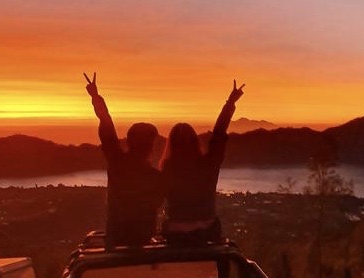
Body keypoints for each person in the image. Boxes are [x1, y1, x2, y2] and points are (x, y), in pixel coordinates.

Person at [84, 73, 165, 247]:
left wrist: (95, 97)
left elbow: (106, 125)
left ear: (128, 141)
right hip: (144, 241)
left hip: (116, 239)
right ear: (152, 145)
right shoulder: (155, 177)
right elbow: (157, 202)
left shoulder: (117, 163)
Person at [160, 80, 244, 244]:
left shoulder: (168, 168)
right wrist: (230, 103)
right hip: (207, 231)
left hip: (175, 233)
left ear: (172, 143)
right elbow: (218, 134)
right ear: (195, 141)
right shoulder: (208, 164)